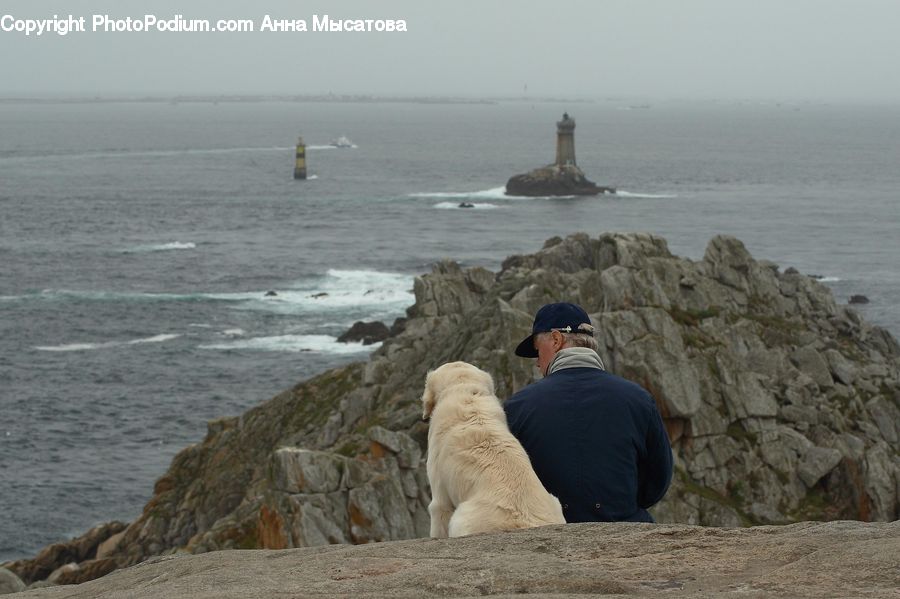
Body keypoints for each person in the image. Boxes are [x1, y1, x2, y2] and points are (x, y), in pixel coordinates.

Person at [504, 302, 673, 523]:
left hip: (546, 537)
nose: (537, 362)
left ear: (556, 340)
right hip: (626, 533)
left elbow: (505, 484)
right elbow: (657, 481)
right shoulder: (639, 399)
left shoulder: (517, 407)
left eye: (537, 350)